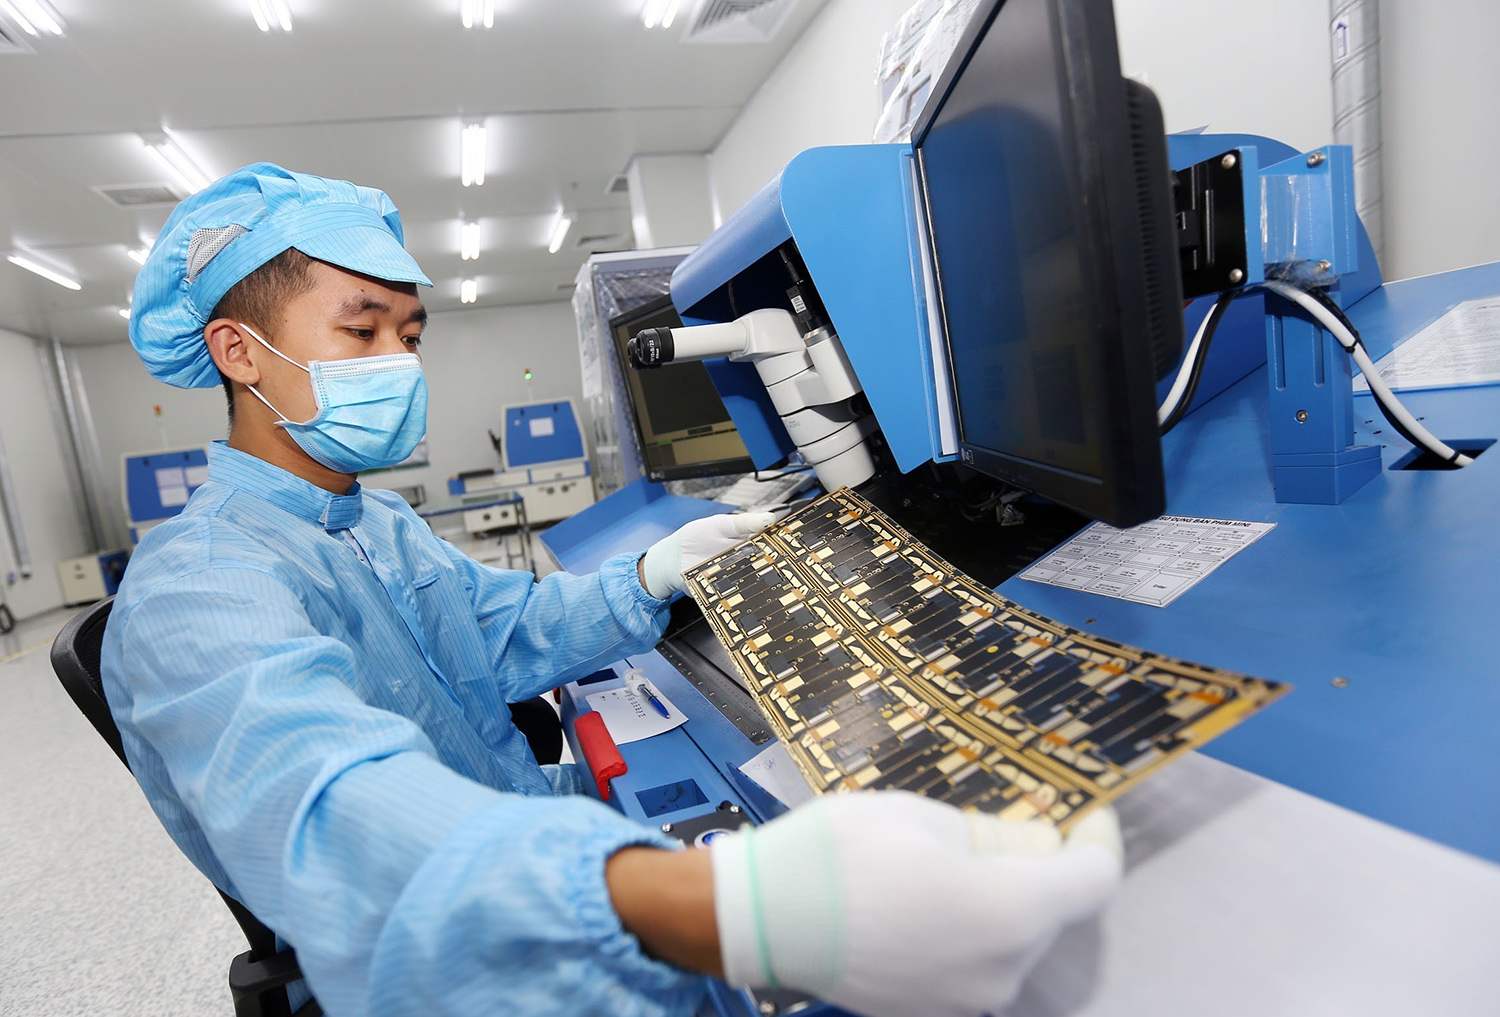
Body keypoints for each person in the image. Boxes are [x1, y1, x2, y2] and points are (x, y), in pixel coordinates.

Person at [102, 164, 1122, 1017]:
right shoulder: (198, 589)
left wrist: (654, 571)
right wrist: (723, 906)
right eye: (361, 332)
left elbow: (497, 635)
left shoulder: (372, 523)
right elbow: (334, 813)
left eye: (409, 336)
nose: (399, 363)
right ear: (238, 352)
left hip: (523, 825)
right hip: (448, 944)